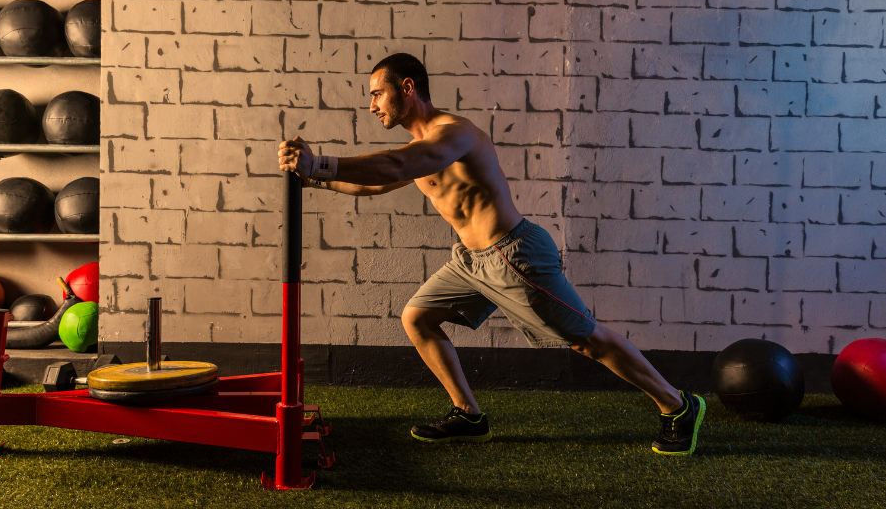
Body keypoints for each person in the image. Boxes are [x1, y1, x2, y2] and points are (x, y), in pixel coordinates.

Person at [277, 53, 705, 455]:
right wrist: (312, 178)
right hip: (470, 261)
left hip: (514, 257)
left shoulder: (452, 133)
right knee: (417, 317)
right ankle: (468, 414)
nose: (371, 105)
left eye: (376, 93)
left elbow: (394, 167)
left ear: (407, 87)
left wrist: (322, 164)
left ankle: (677, 405)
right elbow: (374, 183)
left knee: (585, 340)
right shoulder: (420, 146)